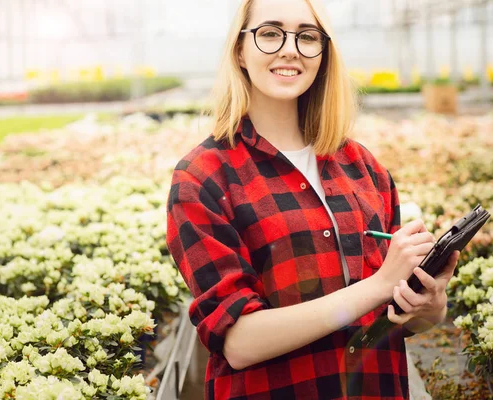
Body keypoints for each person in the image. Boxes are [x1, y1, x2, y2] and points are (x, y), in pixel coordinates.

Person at [166, 0, 460, 398]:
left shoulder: (362, 166)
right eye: (270, 33)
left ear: (323, 53)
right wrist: (377, 286)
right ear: (239, 49)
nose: (290, 49)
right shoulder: (204, 177)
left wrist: (429, 301)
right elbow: (238, 341)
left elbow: (401, 322)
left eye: (307, 36)